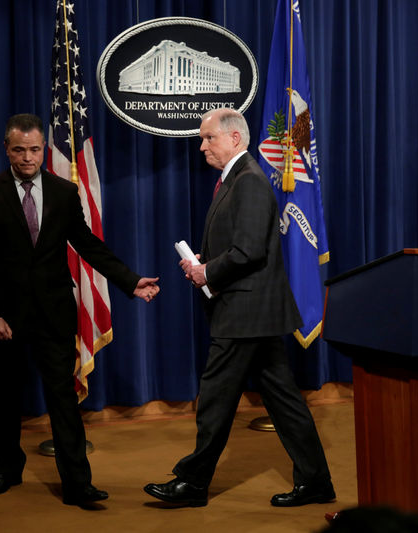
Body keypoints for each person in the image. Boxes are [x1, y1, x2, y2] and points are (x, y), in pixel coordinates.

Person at [0, 113, 159, 505]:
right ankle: (7, 471)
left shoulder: (63, 192)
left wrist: (128, 280)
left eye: (34, 149)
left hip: (53, 314)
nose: (27, 158)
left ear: (42, 149)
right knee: (5, 400)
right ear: (7, 149)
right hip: (6, 319)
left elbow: (88, 244)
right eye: (19, 150)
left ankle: (77, 484)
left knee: (63, 401)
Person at [143, 108, 334, 507]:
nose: (202, 146)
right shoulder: (238, 179)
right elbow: (241, 243)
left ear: (234, 139)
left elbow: (248, 251)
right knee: (283, 399)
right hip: (253, 310)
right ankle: (316, 482)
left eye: (208, 138)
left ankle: (193, 483)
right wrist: (203, 262)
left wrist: (207, 272)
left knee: (215, 396)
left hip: (245, 312)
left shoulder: (249, 181)